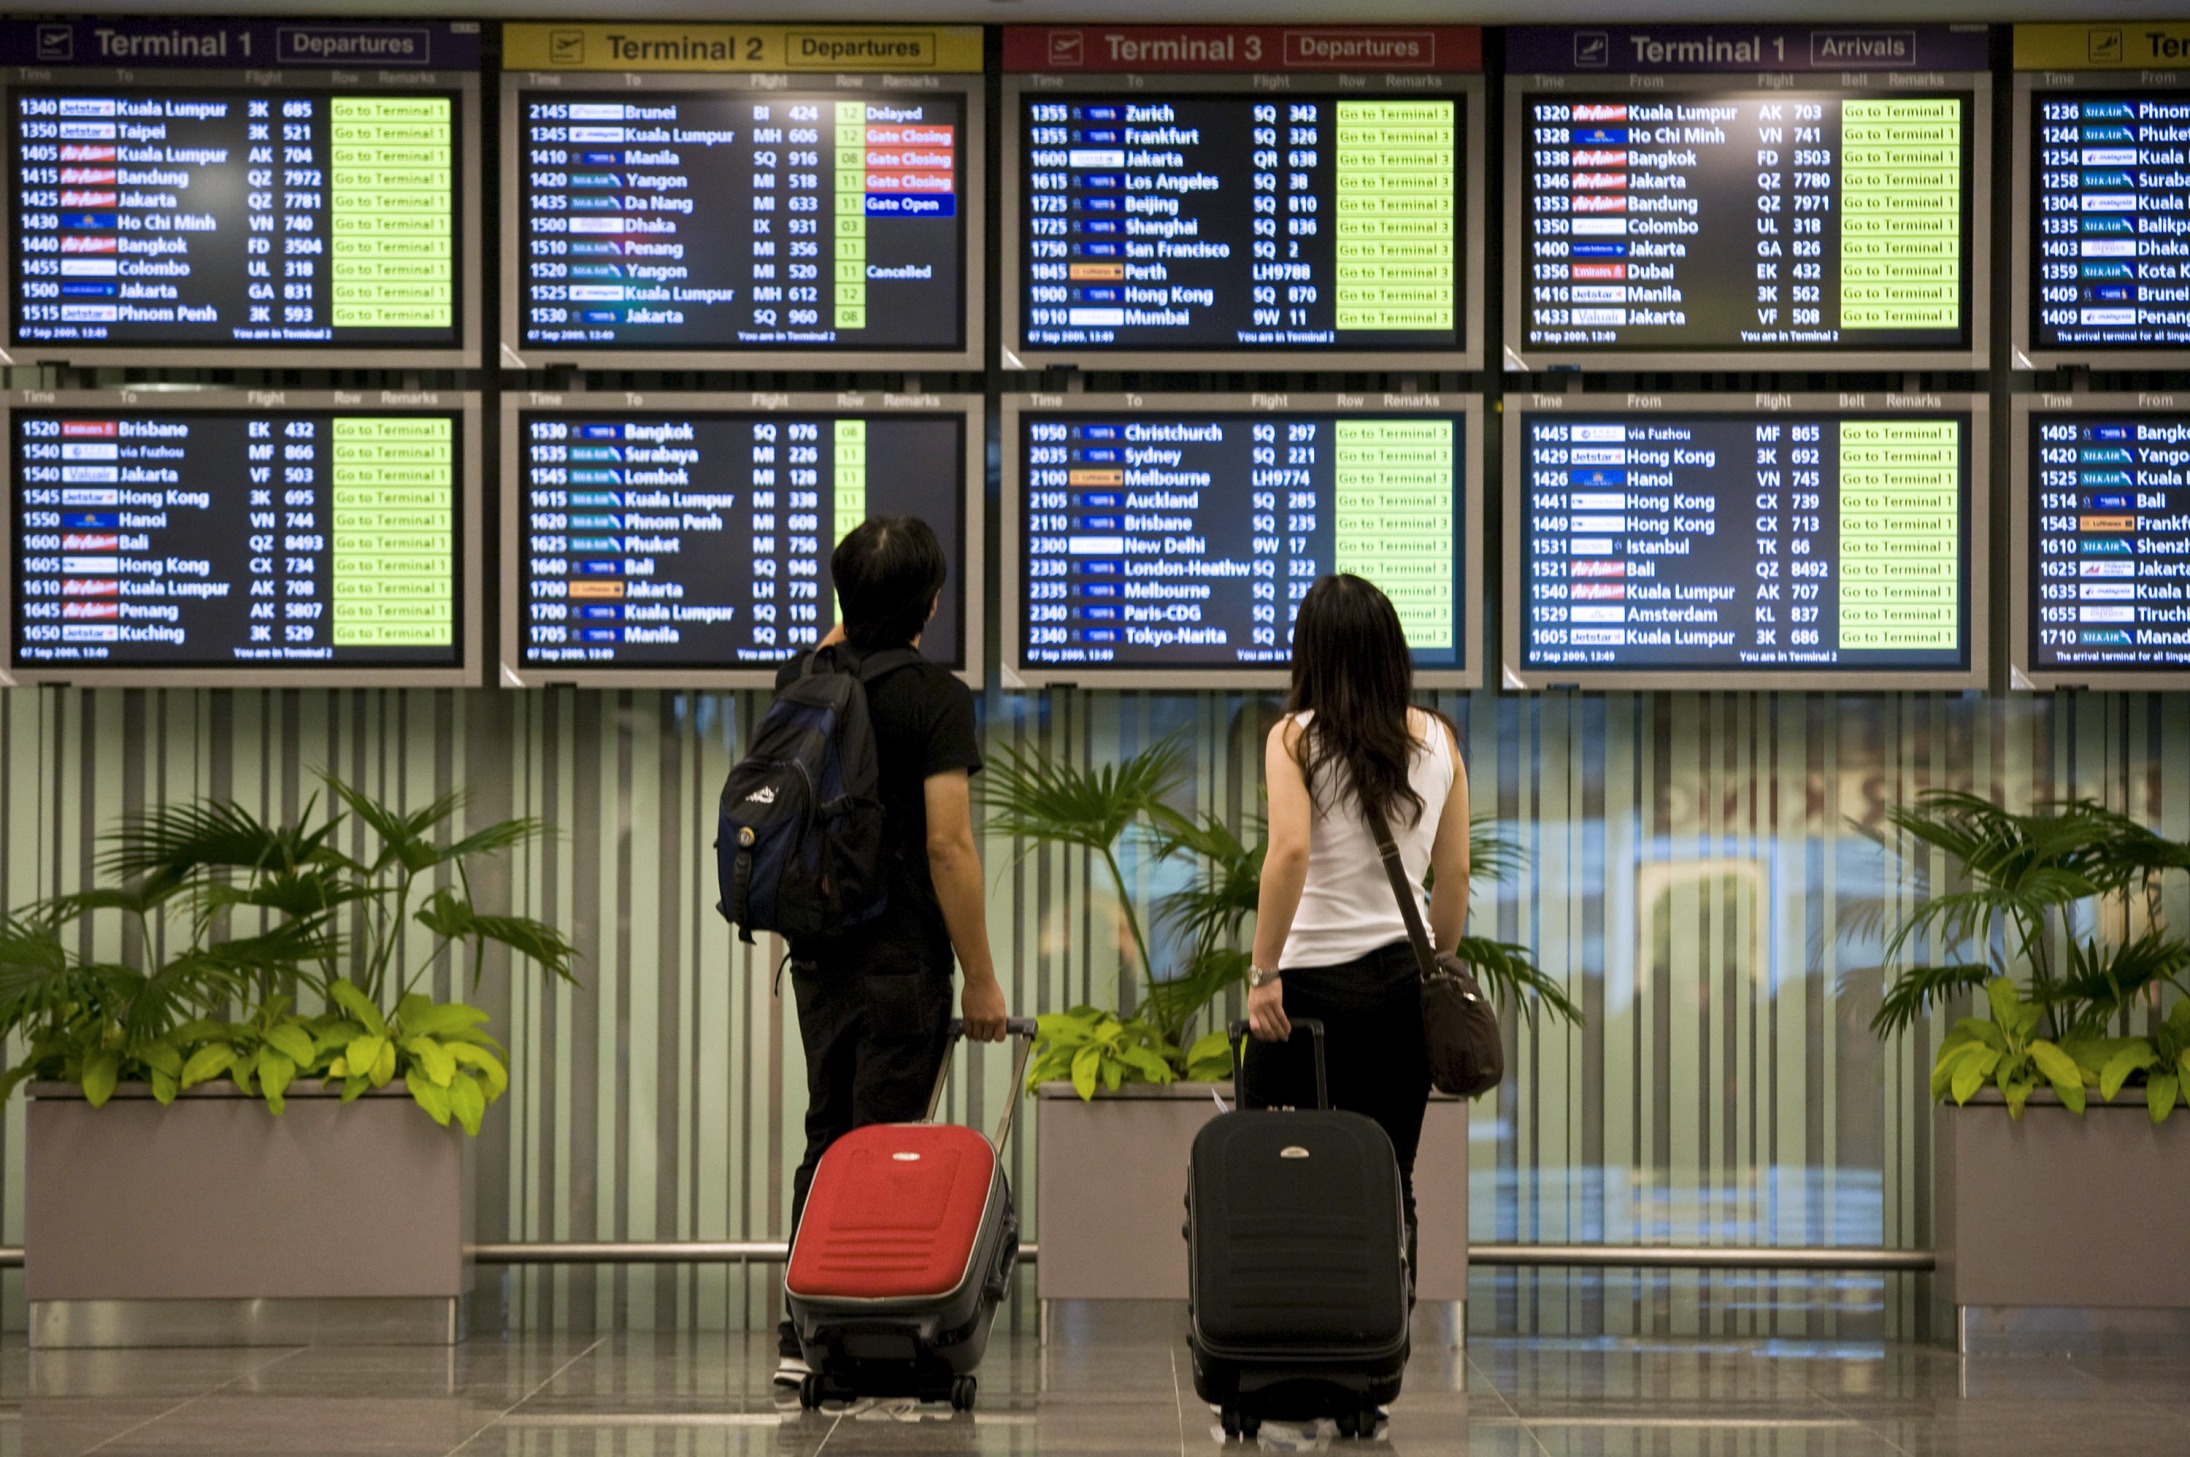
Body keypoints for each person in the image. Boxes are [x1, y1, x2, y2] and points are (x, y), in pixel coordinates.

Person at [772, 516, 1008, 1387]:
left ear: (843, 598)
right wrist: (980, 977)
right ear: (934, 603)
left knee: (829, 1131)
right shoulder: (934, 698)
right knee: (887, 1144)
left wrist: (851, 623)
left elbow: (837, 643)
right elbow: (949, 846)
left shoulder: (804, 682)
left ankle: (806, 1334)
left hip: (818, 953)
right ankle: (875, 1329)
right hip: (903, 959)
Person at [1244, 573, 1470, 1288]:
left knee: (1286, 1167)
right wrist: (1439, 964)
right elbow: (1456, 875)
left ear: (1310, 652)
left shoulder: (1294, 738)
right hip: (1403, 987)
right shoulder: (1439, 740)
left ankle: (1293, 1330)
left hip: (1306, 995)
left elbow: (1288, 852)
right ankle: (1379, 1347)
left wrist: (1262, 971)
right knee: (1388, 1170)